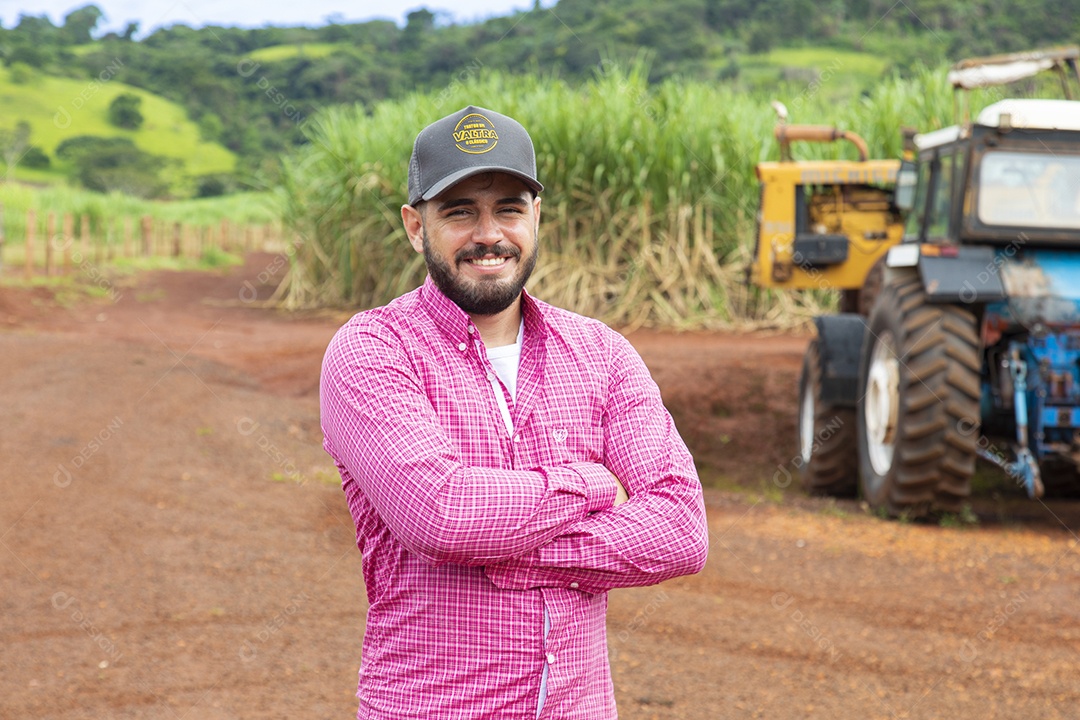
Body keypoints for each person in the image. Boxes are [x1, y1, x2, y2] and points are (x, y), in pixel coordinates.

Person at [320, 104, 709, 720]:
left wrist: (498, 549)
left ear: (536, 218)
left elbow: (681, 530)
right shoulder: (372, 350)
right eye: (458, 212)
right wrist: (589, 483)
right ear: (415, 226)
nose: (488, 234)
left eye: (508, 208)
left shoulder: (600, 352)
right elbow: (440, 515)